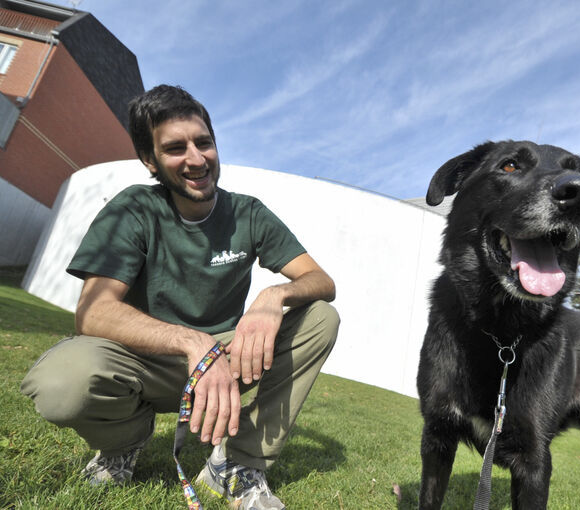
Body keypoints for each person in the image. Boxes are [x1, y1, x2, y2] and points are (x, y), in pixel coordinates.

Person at [20, 84, 340, 510]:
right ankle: (123, 444)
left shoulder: (248, 213)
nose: (196, 159)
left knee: (321, 317)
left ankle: (237, 465)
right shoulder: (132, 209)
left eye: (203, 142)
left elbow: (320, 281)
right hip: (143, 361)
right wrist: (192, 342)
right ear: (150, 161)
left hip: (226, 363)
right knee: (61, 385)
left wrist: (274, 295)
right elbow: (94, 312)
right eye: (175, 148)